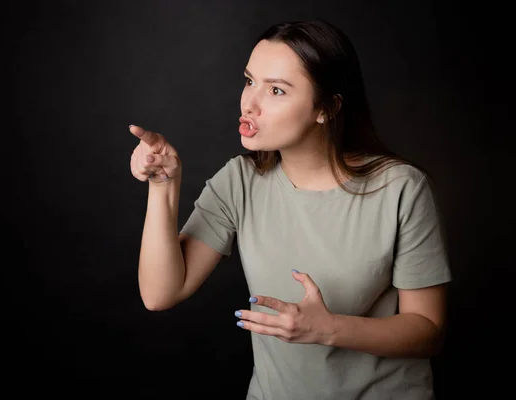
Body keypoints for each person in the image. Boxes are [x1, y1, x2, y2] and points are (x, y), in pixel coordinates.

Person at [129, 19, 451, 400]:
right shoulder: (239, 181)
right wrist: (163, 186)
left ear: (326, 108)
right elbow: (159, 293)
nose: (250, 103)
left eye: (277, 90)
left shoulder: (401, 188)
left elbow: (428, 331)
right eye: (250, 81)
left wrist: (327, 329)